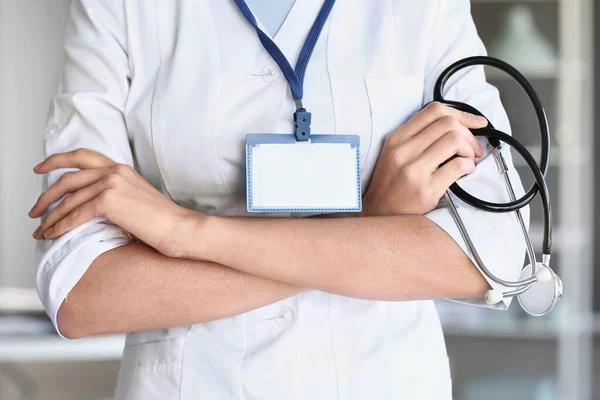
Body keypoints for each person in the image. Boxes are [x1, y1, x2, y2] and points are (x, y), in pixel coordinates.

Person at [30, 0, 528, 399]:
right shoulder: (118, 7)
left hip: (380, 379)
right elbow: (84, 294)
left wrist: (183, 230)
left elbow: (492, 253)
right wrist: (372, 223)